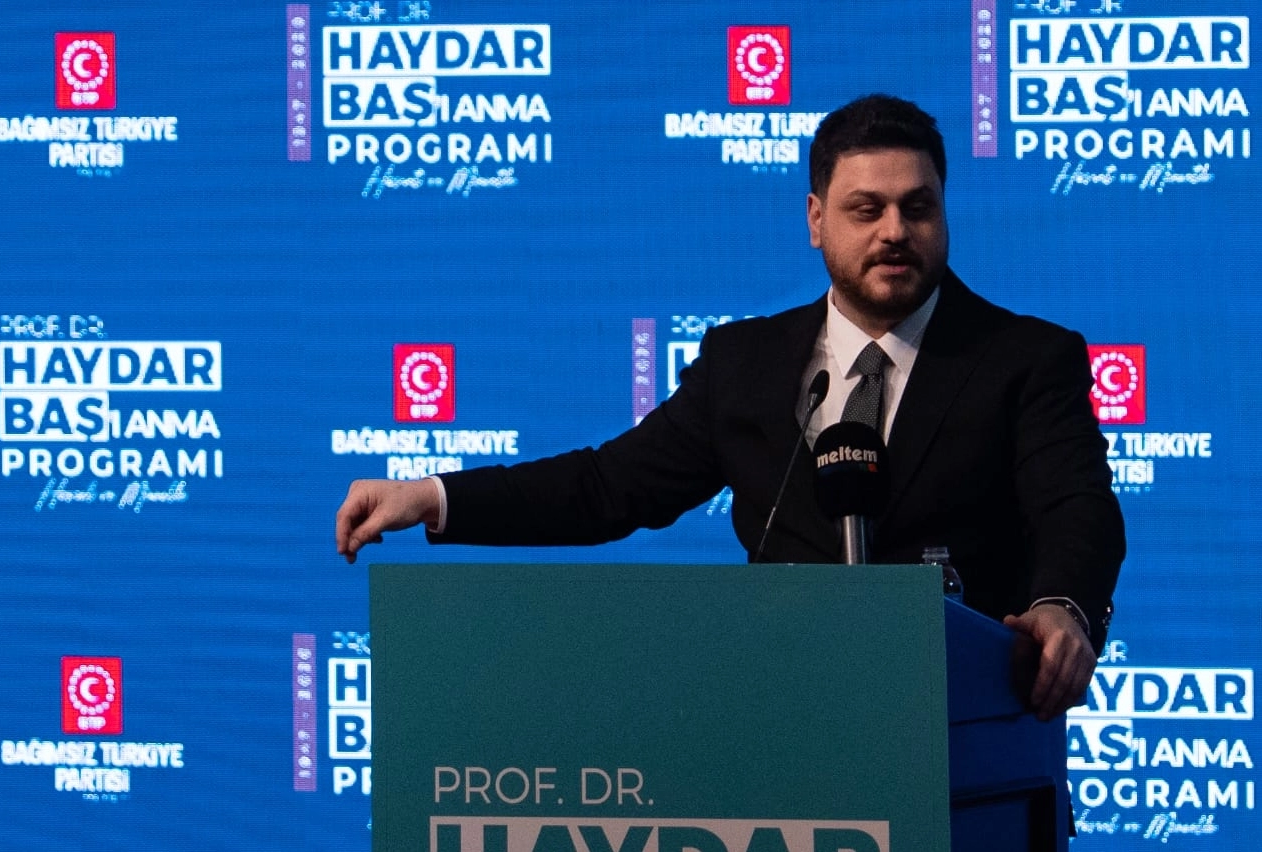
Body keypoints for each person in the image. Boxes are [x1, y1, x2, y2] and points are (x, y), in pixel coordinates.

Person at [336, 94, 1124, 721]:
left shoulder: (1024, 358)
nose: (894, 231)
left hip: (965, 731)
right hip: (781, 724)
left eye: (917, 208)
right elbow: (607, 488)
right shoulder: (745, 363)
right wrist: (433, 497)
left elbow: (1075, 506)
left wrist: (1062, 607)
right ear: (815, 220)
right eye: (866, 209)